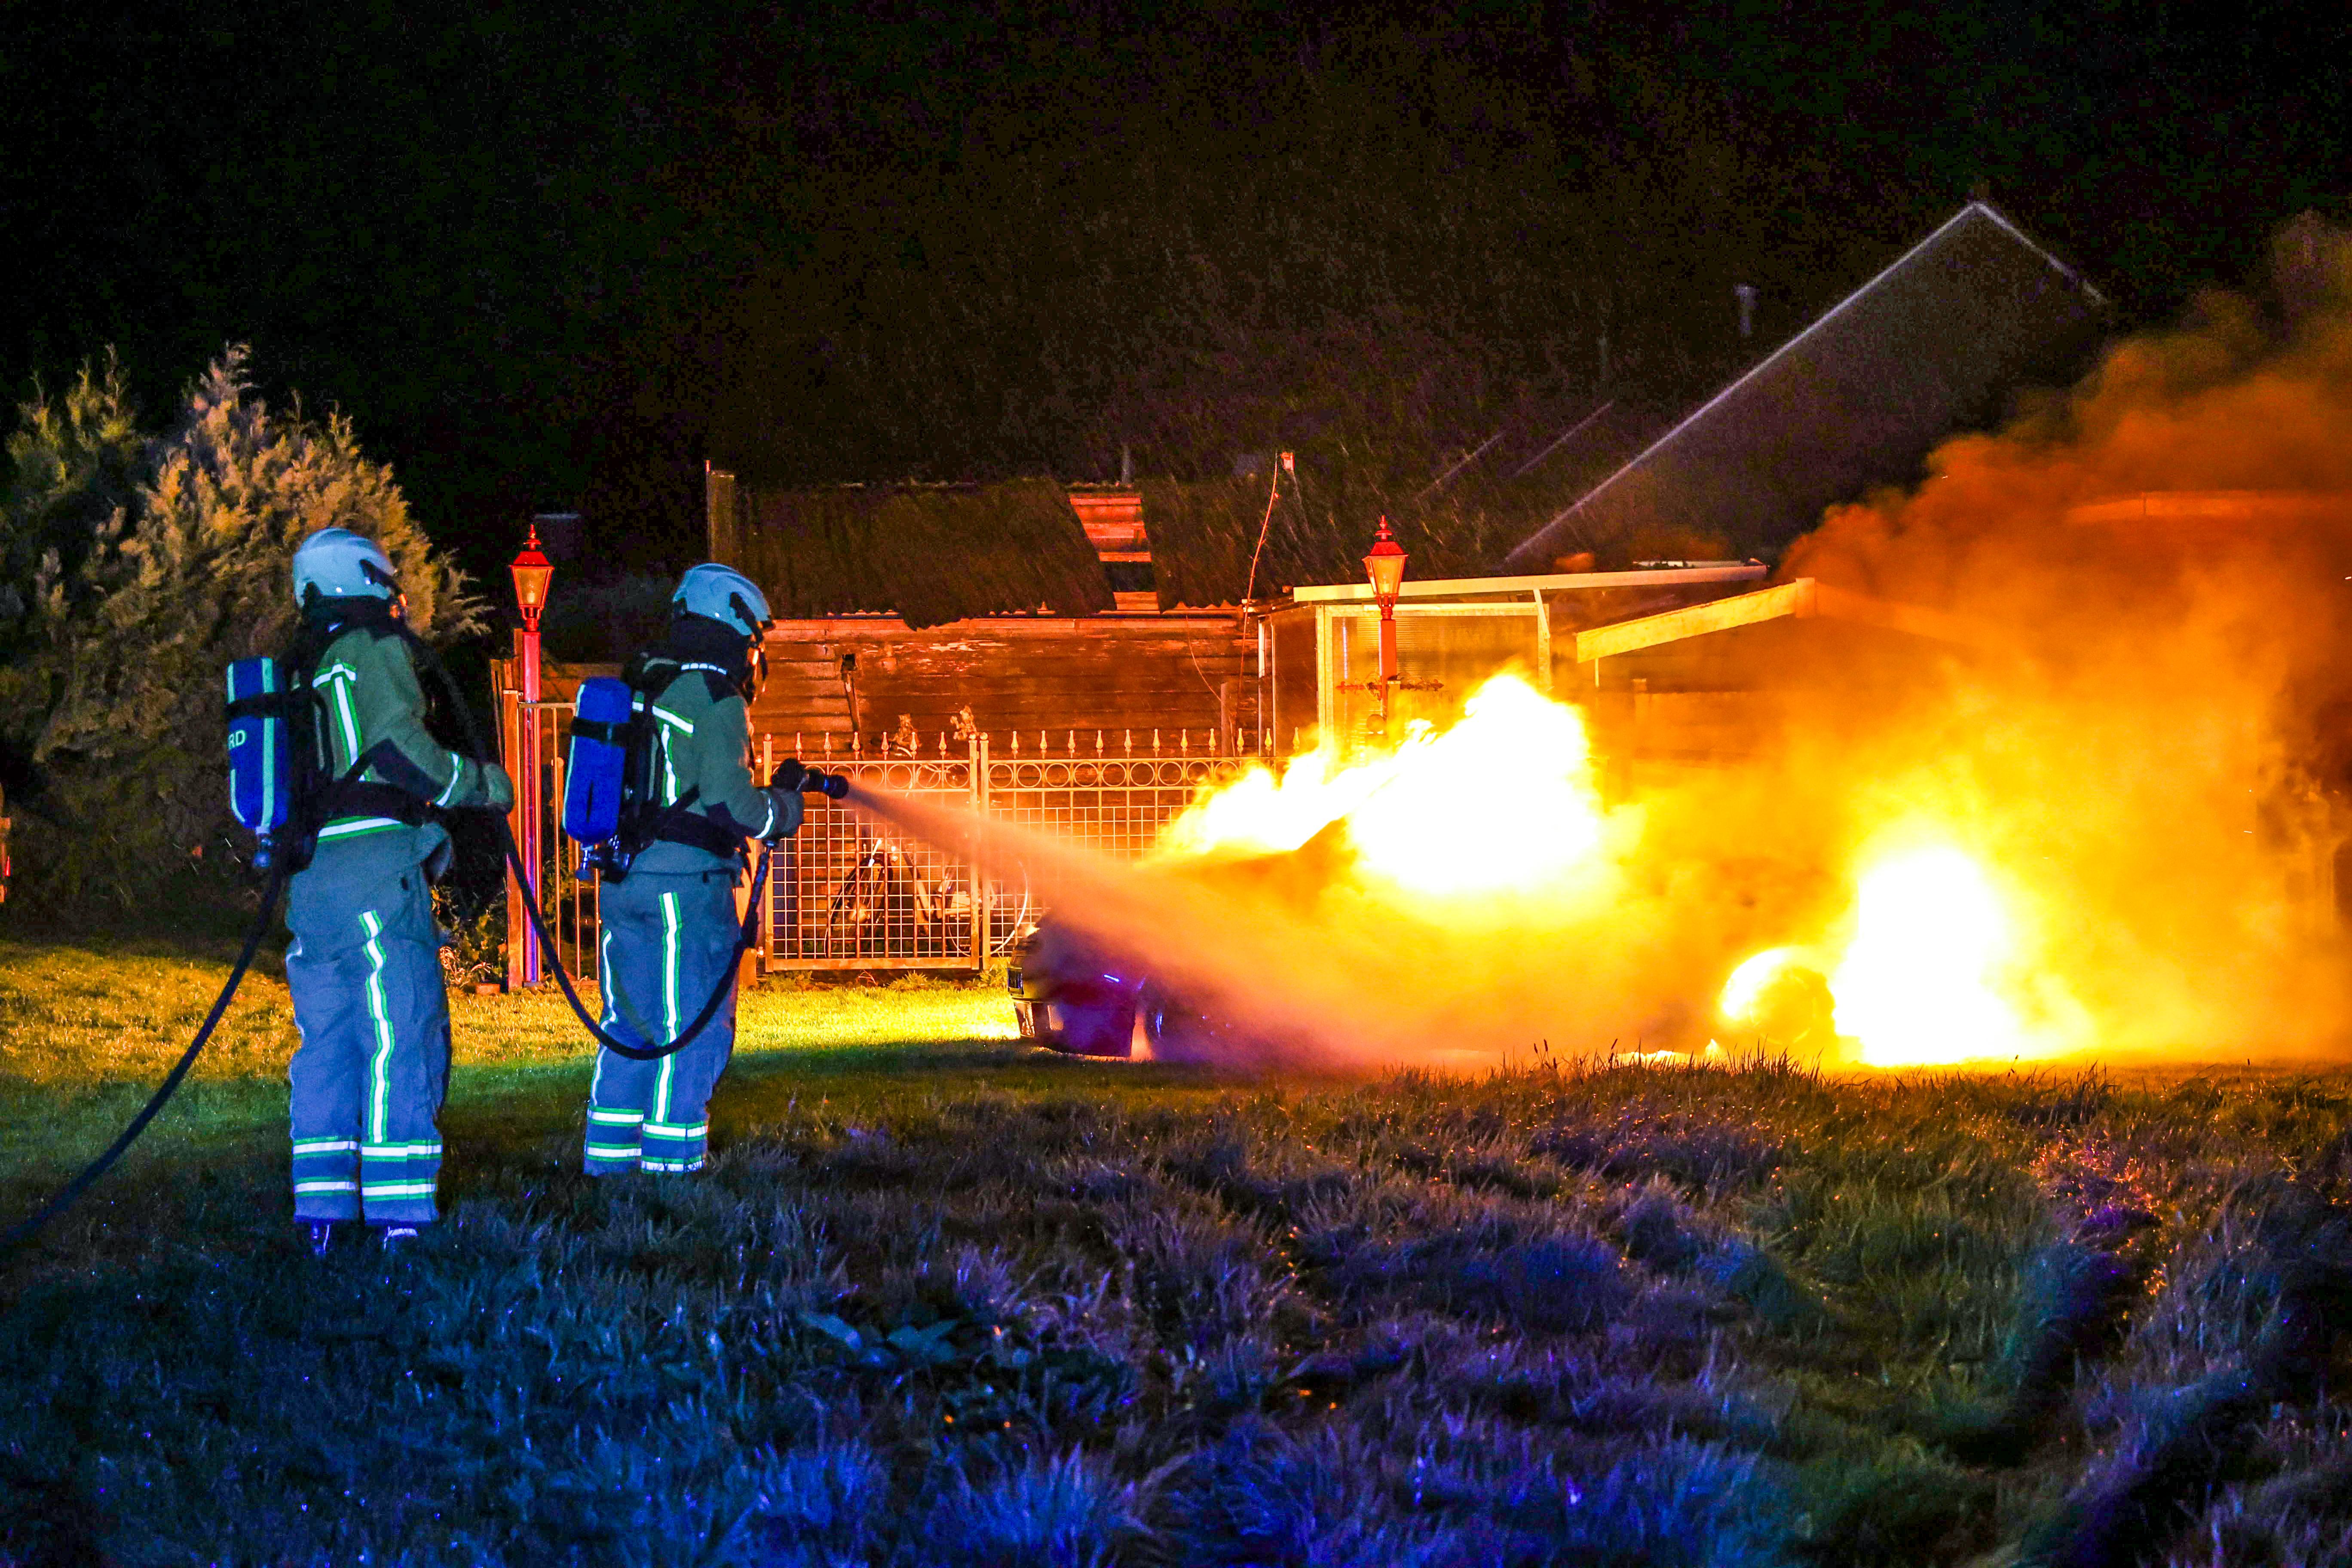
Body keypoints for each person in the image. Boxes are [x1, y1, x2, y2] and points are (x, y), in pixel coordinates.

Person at [282, 529, 512, 1255]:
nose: (398, 595)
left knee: (327, 1041)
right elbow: (399, 751)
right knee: (398, 1033)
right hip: (376, 870)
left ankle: (321, 1210)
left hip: (311, 878)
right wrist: (481, 786)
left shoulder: (303, 668)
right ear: (365, 579)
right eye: (388, 579)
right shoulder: (371, 651)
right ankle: (400, 1212)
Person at [585, 563, 803, 1176]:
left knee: (632, 1025)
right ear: (735, 625)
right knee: (694, 1030)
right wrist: (785, 807)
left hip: (626, 883)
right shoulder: (713, 695)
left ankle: (608, 1166)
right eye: (754, 638)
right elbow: (732, 805)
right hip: (685, 892)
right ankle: (672, 1175)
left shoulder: (644, 682)